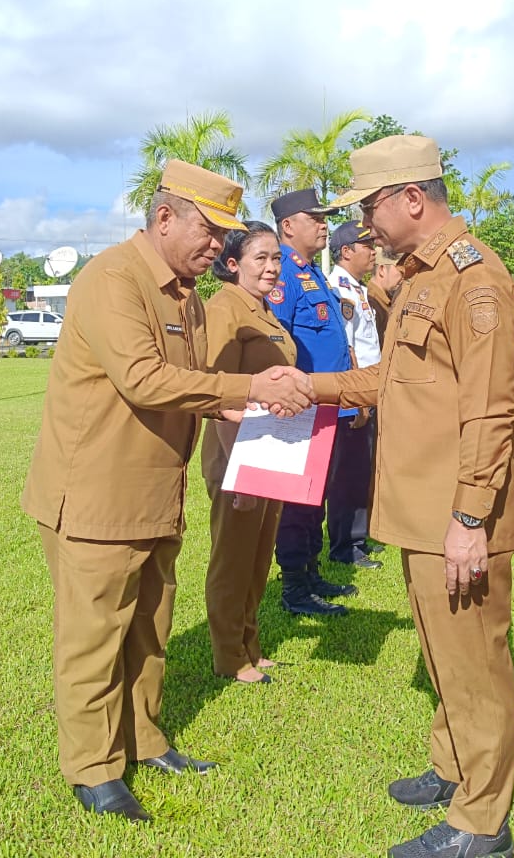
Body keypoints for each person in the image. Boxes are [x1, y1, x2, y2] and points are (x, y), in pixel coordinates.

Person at [20, 160, 312, 825]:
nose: (219, 247)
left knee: (149, 627)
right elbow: (146, 380)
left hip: (155, 492)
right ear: (163, 218)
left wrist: (233, 410)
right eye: (209, 231)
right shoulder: (112, 279)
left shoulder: (186, 295)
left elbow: (195, 383)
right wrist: (247, 391)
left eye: (223, 235)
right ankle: (93, 769)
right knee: (94, 635)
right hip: (94, 494)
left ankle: (144, 740)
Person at [312, 135, 514, 858]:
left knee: (474, 665)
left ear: (412, 198)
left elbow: (491, 407)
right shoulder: (419, 277)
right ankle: (454, 767)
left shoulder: (475, 278)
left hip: (453, 514)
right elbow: (390, 381)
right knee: (444, 655)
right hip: (419, 508)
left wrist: (470, 516)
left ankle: (482, 822)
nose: (364, 224)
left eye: (371, 205)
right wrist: (308, 390)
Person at [201, 221, 294, 685]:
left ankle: (250, 644)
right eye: (261, 258)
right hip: (236, 455)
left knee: (259, 557)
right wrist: (238, 473)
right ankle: (227, 655)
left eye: (276, 258)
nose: (272, 268)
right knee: (233, 557)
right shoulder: (226, 310)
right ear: (233, 264)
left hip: (271, 452)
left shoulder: (263, 311)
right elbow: (218, 395)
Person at [268, 187, 361, 615]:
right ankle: (294, 588)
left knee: (316, 497)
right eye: (315, 218)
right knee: (298, 502)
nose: (324, 224)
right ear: (288, 226)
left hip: (328, 407)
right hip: (302, 411)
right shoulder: (283, 274)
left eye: (325, 218)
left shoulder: (313, 272)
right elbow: (278, 343)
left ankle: (311, 570)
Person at [326, 217, 383, 569]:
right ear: (346, 251)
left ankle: (358, 537)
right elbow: (346, 349)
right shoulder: (339, 289)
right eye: (367, 247)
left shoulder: (357, 287)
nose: (374, 253)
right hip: (355, 394)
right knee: (346, 472)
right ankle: (343, 544)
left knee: (361, 467)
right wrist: (357, 399)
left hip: (368, 391)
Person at [368, 249, 404, 342]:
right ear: (382, 270)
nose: (404, 278)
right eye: (401, 272)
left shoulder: (386, 299)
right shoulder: (371, 303)